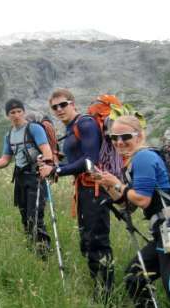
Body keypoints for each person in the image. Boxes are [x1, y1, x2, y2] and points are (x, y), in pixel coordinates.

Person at [98, 115, 170, 308]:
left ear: (139, 136)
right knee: (135, 277)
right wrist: (110, 186)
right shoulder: (136, 161)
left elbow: (142, 200)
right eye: (114, 138)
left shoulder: (144, 157)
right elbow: (128, 205)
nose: (119, 142)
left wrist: (118, 184)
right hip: (166, 233)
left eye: (125, 136)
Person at [39, 89, 115, 301]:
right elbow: (77, 161)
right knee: (87, 242)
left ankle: (105, 297)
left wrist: (58, 170)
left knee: (97, 242)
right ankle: (99, 290)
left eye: (63, 104)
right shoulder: (72, 128)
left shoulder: (85, 124)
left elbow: (89, 162)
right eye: (55, 107)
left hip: (95, 189)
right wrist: (55, 167)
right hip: (83, 189)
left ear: (73, 103)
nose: (59, 109)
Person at [0, 99, 52, 257]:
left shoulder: (34, 129)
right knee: (25, 216)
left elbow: (47, 151)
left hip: (36, 177)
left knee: (35, 217)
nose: (16, 115)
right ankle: (32, 250)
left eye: (19, 111)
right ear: (7, 116)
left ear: (24, 112)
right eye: (12, 112)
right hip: (20, 179)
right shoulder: (9, 135)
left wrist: (45, 167)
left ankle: (43, 255)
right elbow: (5, 159)